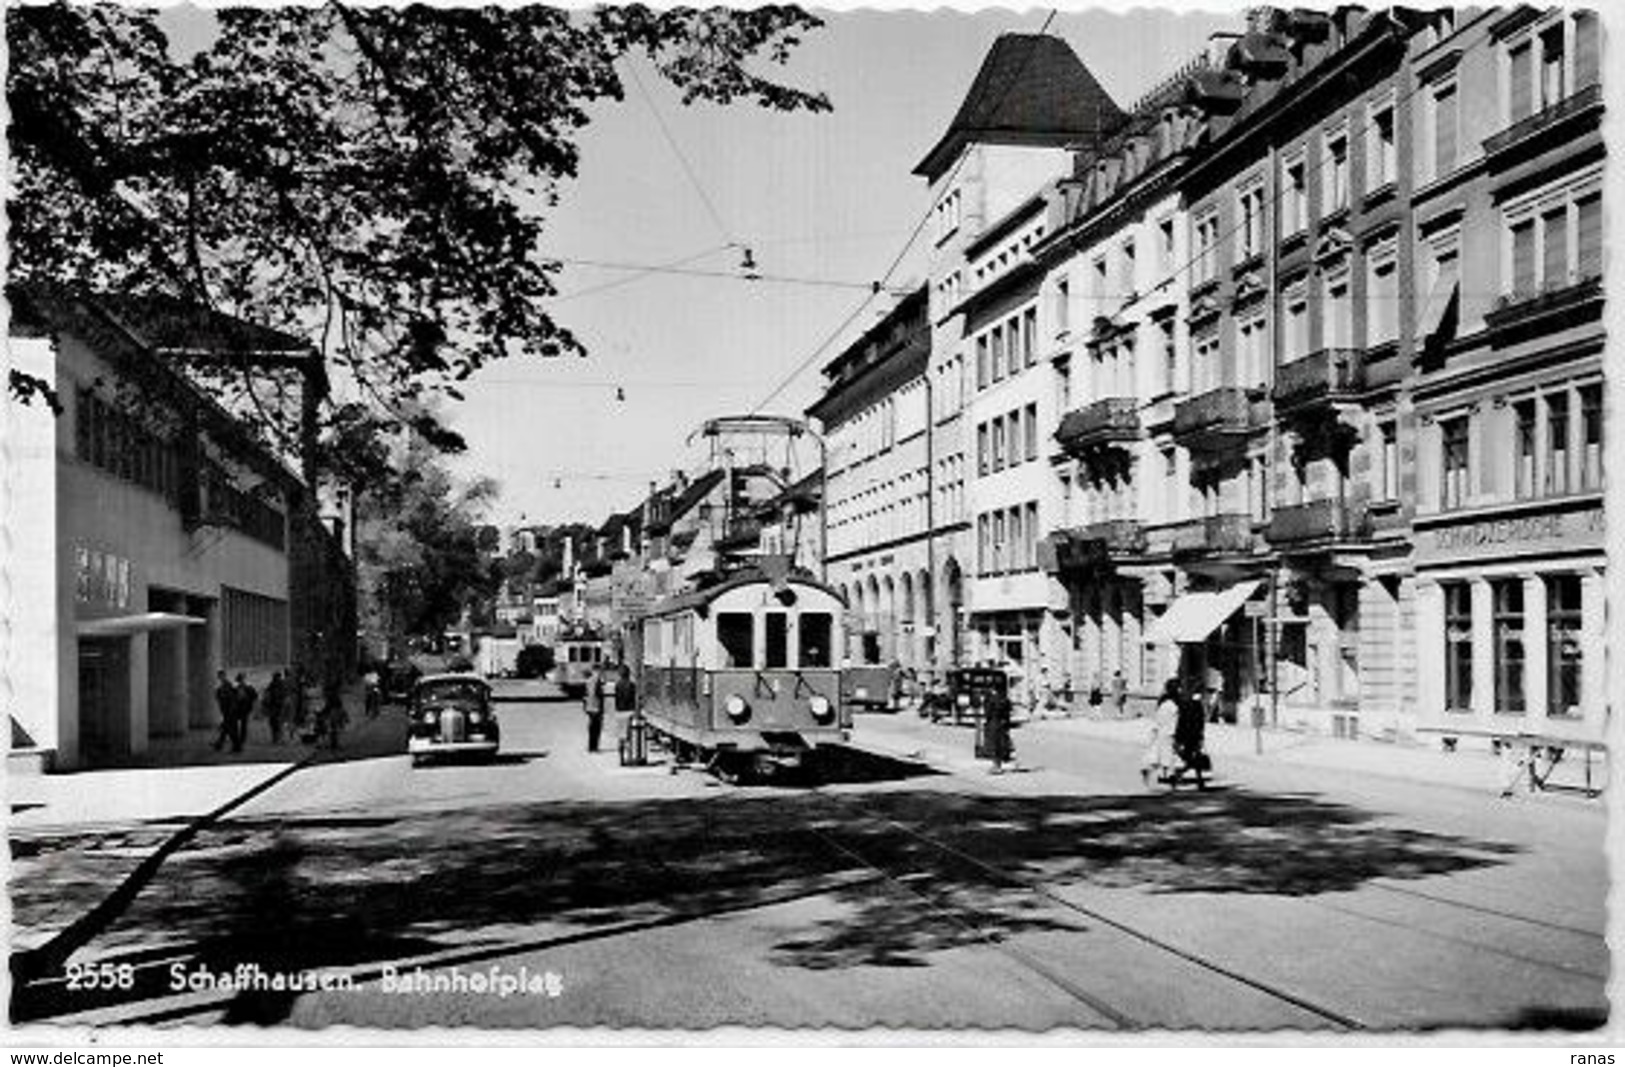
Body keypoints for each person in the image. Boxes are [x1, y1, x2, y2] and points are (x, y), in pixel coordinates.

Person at [1141, 679, 1181, 787]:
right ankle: (1171, 780)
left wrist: (1154, 733)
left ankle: (1149, 770)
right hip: (1169, 733)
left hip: (1161, 732)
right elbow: (1175, 722)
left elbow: (1157, 720)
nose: (1181, 690)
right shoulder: (1174, 706)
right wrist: (1175, 734)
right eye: (1179, 688)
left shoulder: (1163, 704)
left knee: (1160, 756)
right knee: (1169, 756)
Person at [1173, 682, 1209, 789]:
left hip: (1186, 737)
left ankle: (1199, 781)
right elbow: (1200, 724)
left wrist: (1178, 737)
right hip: (1193, 737)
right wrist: (1201, 737)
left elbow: (1181, 722)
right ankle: (1179, 776)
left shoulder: (1186, 704)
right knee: (1192, 759)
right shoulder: (1198, 707)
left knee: (1192, 758)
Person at [320, 679, 347, 751]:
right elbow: (330, 706)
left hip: (335, 712)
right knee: (333, 729)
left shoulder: (332, 696)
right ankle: (334, 744)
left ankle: (334, 744)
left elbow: (330, 705)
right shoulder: (333, 696)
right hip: (335, 711)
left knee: (333, 728)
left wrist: (324, 712)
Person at [213, 671, 237, 752]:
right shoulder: (224, 685)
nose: (219, 678)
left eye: (220, 676)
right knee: (226, 729)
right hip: (227, 710)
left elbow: (229, 698)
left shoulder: (227, 685)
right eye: (219, 676)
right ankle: (219, 744)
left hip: (229, 711)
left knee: (229, 729)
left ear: (223, 676)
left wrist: (219, 695)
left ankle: (236, 746)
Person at [232, 674, 257, 752]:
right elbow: (255, 696)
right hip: (243, 709)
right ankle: (241, 739)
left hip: (241, 709)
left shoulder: (238, 688)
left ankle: (241, 739)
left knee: (241, 724)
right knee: (243, 724)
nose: (240, 682)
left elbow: (254, 696)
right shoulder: (247, 687)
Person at [585, 667, 607, 752]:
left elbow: (586, 694)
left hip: (589, 707)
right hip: (596, 707)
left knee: (591, 728)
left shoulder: (589, 680)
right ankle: (594, 747)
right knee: (596, 728)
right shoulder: (597, 681)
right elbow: (599, 695)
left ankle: (591, 746)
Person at [264, 670, 288, 744]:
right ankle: (278, 738)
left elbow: (267, 695)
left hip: (275, 706)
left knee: (275, 722)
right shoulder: (281, 684)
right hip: (278, 705)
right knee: (278, 722)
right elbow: (285, 695)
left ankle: (276, 738)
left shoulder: (272, 685)